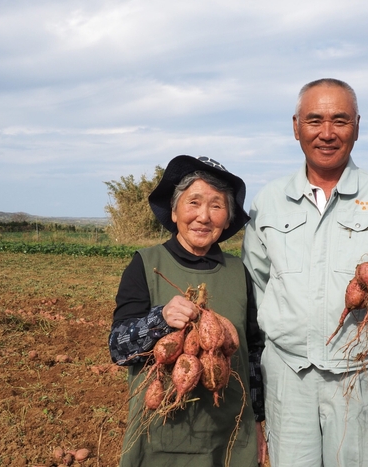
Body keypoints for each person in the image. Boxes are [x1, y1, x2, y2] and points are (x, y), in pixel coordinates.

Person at [241, 79, 368, 467]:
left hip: (364, 374)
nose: (327, 133)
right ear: (296, 126)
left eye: (340, 121)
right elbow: (257, 283)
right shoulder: (270, 201)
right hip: (289, 375)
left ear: (357, 127)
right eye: (314, 120)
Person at [109, 155, 267, 466]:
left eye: (217, 205)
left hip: (231, 437)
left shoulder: (239, 272)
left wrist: (259, 421)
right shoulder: (146, 264)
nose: (204, 216)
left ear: (228, 217)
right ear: (174, 210)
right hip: (162, 436)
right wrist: (159, 320)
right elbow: (118, 348)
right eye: (194, 202)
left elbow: (253, 353)